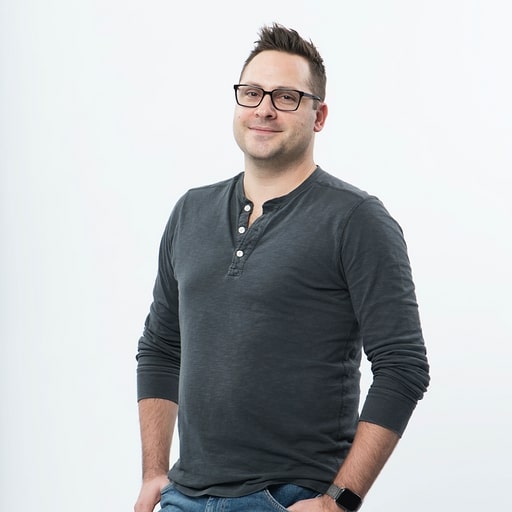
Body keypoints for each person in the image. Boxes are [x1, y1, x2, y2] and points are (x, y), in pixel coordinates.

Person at [134, 23, 430, 512]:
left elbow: (403, 367)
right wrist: (153, 474)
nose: (264, 108)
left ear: (319, 116)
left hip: (287, 498)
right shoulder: (190, 211)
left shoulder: (356, 219)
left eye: (287, 97)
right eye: (252, 93)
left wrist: (338, 501)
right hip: (183, 496)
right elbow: (161, 348)